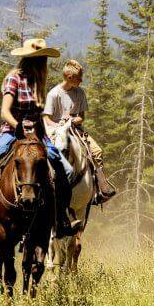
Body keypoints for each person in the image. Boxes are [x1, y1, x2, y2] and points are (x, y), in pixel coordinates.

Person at [0, 38, 82, 237]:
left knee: (67, 171)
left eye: (43, 58)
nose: (43, 62)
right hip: (11, 132)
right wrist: (18, 126)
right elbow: (5, 112)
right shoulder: (14, 78)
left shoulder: (38, 82)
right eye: (40, 58)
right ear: (29, 59)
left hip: (38, 134)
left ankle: (61, 217)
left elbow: (39, 115)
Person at [43, 59, 115, 205]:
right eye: (79, 78)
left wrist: (74, 121)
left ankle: (98, 189)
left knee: (96, 151)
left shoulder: (80, 92)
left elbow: (82, 116)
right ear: (70, 78)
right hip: (55, 131)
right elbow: (46, 119)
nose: (81, 81)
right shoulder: (54, 94)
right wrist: (59, 127)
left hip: (75, 130)